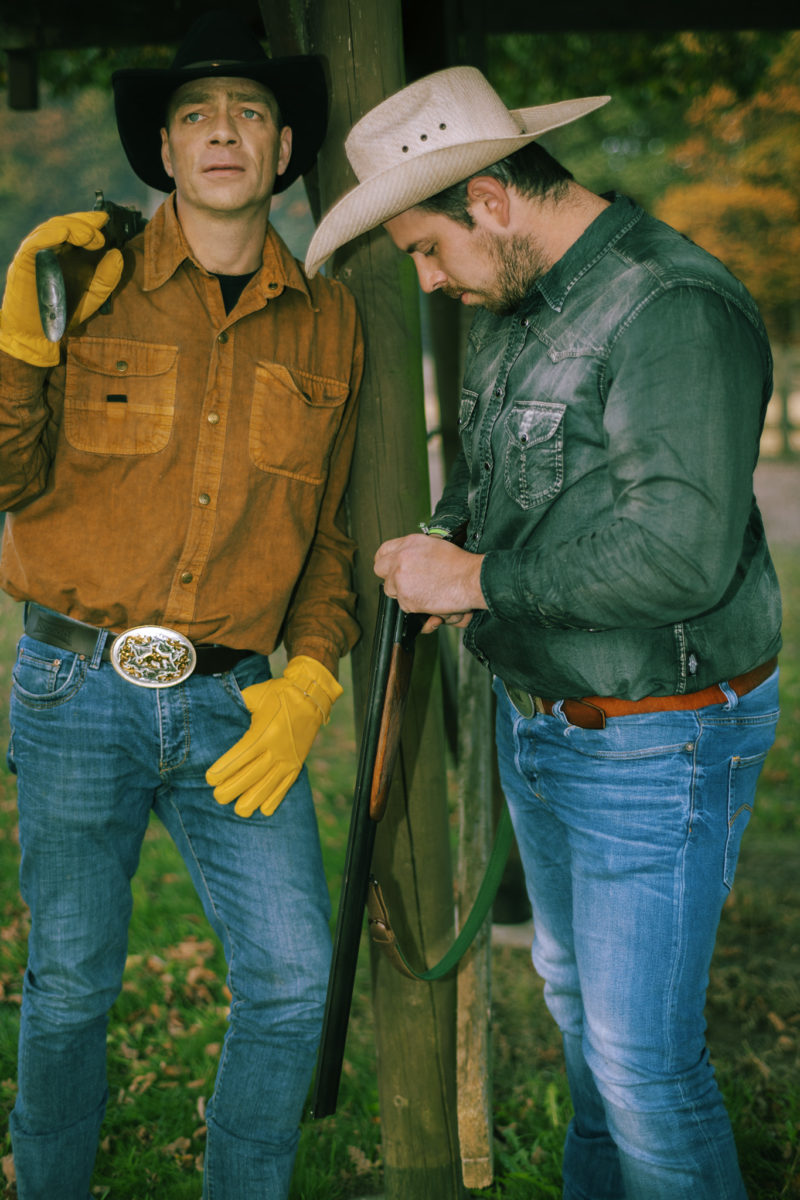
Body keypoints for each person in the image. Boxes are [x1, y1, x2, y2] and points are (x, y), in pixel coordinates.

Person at [304, 67, 782, 1200]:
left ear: (491, 201)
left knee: (641, 1068)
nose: (429, 278)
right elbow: (495, 481)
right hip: (549, 731)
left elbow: (679, 554)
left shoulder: (669, 309)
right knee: (579, 1018)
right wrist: (440, 541)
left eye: (426, 248)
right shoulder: (518, 307)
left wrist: (469, 577)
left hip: (650, 741)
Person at [0, 11, 363, 1199]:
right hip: (74, 689)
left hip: (234, 709)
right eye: (199, 113)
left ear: (285, 147)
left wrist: (309, 675)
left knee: (294, 982)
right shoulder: (77, 273)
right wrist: (20, 338)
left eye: (250, 113)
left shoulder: (329, 317)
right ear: (162, 148)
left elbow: (330, 538)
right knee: (69, 990)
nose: (224, 130)